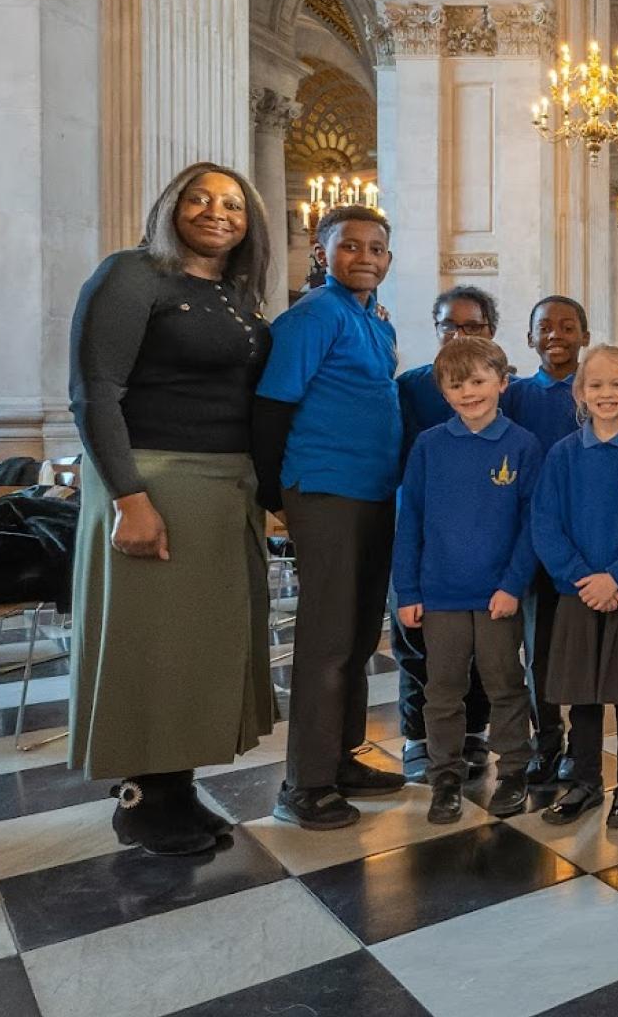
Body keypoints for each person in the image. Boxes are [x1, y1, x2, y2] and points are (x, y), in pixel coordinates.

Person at [67, 161, 275, 856]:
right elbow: (95, 391)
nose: (218, 212)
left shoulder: (237, 293)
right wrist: (129, 498)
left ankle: (176, 790)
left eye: (233, 204)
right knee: (152, 645)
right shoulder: (131, 275)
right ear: (171, 207)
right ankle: (142, 800)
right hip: (154, 480)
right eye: (200, 199)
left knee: (201, 647)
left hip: (223, 486)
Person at [253, 204, 407, 830]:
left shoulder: (374, 320)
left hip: (373, 491)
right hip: (324, 490)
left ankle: (342, 759)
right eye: (350, 246)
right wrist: (275, 497)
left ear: (388, 259)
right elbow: (271, 407)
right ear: (322, 253)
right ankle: (305, 783)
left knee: (361, 634)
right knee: (328, 638)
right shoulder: (313, 316)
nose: (364, 257)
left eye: (376, 248)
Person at [392, 337, 540, 823]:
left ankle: (514, 769)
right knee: (443, 690)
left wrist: (513, 585)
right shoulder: (429, 445)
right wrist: (408, 590)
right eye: (457, 385)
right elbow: (410, 520)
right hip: (440, 594)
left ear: (502, 382)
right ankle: (445, 777)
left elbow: (531, 525)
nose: (469, 392)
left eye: (478, 381)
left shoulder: (522, 445)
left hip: (498, 594)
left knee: (505, 683)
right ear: (443, 391)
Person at [531, 345, 618, 828]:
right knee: (583, 698)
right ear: (580, 393)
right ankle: (585, 782)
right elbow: (545, 525)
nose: (606, 393)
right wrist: (584, 579)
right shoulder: (563, 455)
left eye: (616, 384)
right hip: (578, 594)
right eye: (595, 385)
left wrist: (616, 576)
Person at [391, 286, 501, 783]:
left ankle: (474, 730)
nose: (459, 335)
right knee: (416, 636)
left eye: (471, 326)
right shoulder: (412, 388)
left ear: (490, 331)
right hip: (424, 537)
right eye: (448, 326)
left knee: (478, 640)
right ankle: (418, 736)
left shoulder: (500, 387)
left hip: (482, 538)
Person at [502, 295, 590, 784]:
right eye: (545, 327)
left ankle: (583, 742)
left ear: (585, 336)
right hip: (533, 539)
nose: (556, 334)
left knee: (582, 646)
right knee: (538, 647)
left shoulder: (595, 393)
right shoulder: (516, 396)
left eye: (568, 326)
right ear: (530, 337)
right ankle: (547, 737)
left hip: (587, 540)